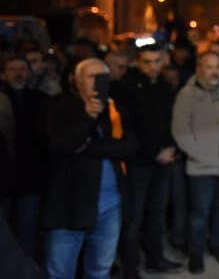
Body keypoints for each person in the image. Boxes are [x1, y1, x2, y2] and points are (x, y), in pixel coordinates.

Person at [42, 58, 136, 279]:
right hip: (69, 206)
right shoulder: (59, 108)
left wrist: (88, 147)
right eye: (91, 76)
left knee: (100, 270)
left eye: (101, 77)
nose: (96, 82)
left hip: (110, 206)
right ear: (77, 81)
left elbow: (130, 147)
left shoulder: (116, 109)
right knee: (60, 273)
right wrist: (88, 117)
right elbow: (61, 145)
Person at [119, 44, 183, 277]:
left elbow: (170, 122)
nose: (152, 66)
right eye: (147, 62)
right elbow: (130, 128)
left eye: (156, 61)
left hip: (163, 160)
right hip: (139, 163)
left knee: (157, 213)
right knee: (134, 218)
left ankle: (155, 259)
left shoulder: (164, 86)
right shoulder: (127, 87)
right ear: (138, 62)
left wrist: (171, 148)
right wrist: (155, 152)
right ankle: (131, 268)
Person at [171, 52, 219, 274]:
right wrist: (200, 154)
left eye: (217, 67)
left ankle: (217, 245)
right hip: (201, 167)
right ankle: (196, 254)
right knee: (199, 214)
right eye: (209, 67)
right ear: (199, 69)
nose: (214, 71)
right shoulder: (187, 95)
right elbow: (180, 131)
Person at [1, 56, 47, 260]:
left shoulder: (40, 100)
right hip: (4, 177)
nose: (18, 74)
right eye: (13, 69)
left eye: (22, 69)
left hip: (30, 176)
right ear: (3, 74)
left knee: (27, 230)